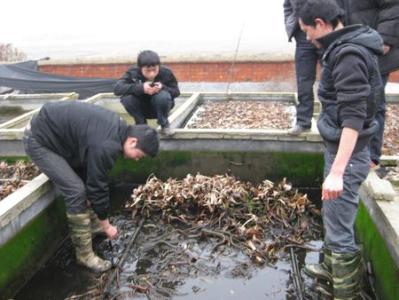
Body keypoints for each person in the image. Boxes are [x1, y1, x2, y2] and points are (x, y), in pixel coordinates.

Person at [297, 0, 384, 298]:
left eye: (307, 31)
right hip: (342, 152)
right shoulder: (347, 45)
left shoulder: (348, 53)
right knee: (333, 217)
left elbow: (354, 116)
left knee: (341, 227)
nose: (307, 38)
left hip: (346, 157)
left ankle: (346, 290)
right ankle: (332, 269)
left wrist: (337, 172)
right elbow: (368, 103)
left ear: (320, 23)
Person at [23, 101, 159, 272]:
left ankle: (95, 226)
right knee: (76, 191)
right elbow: (97, 186)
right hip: (39, 140)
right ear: (133, 142)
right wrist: (107, 225)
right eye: (140, 155)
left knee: (87, 183)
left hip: (60, 136)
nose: (138, 159)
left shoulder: (119, 130)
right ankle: (84, 255)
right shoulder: (106, 145)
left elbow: (96, 179)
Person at [334, 0, 399, 168]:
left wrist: (384, 41)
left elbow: (393, 6)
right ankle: (350, 152)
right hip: (348, 48)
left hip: (377, 50)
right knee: (348, 101)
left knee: (374, 102)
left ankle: (371, 156)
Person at [114, 50, 180, 136]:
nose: (151, 74)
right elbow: (117, 89)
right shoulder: (133, 72)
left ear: (159, 66)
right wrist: (141, 88)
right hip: (140, 108)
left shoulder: (166, 72)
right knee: (127, 98)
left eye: (154, 70)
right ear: (140, 68)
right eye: (147, 71)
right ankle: (141, 125)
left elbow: (176, 92)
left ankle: (164, 125)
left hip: (159, 107)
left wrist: (163, 87)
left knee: (163, 96)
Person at [284, 0, 320, 135]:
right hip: (302, 36)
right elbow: (288, 6)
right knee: (304, 81)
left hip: (326, 32)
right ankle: (303, 122)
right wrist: (290, 25)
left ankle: (333, 123)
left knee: (332, 78)